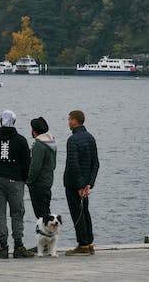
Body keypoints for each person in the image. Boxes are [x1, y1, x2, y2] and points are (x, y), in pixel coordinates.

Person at [0, 109, 34, 259]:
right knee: (17, 212)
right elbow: (27, 164)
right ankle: (18, 246)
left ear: (0, 122)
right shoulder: (21, 140)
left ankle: (3, 247)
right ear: (14, 123)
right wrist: (23, 179)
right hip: (15, 181)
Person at [63, 109, 99, 256]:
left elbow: (73, 165)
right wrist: (89, 184)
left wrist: (79, 186)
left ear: (74, 121)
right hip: (85, 184)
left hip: (74, 184)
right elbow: (95, 163)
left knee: (77, 212)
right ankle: (89, 242)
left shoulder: (72, 140)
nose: (68, 122)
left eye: (69, 119)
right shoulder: (91, 138)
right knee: (85, 211)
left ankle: (82, 244)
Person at [26, 116, 56, 219]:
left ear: (34, 131)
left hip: (38, 184)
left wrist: (28, 181)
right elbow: (54, 165)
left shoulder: (39, 144)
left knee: (41, 216)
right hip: (48, 181)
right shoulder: (51, 141)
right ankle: (49, 234)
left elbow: (35, 167)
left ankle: (45, 234)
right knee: (46, 212)